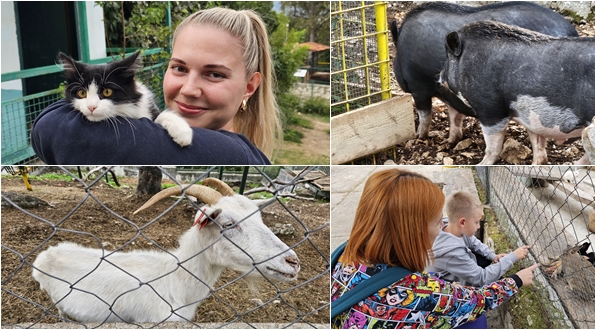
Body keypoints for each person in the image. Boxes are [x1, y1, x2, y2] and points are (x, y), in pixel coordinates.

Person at [31, 7, 281, 165]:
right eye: (180, 68)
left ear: (249, 87)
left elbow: (52, 129)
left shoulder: (237, 157)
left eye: (214, 74)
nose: (188, 90)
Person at [331, 169, 539, 329]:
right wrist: (517, 279)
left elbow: (473, 243)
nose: (442, 227)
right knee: (476, 321)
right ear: (412, 230)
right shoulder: (418, 290)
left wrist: (493, 255)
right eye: (438, 222)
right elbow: (478, 300)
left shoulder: (343, 253)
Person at [425, 191, 531, 328]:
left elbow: (473, 242)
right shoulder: (451, 251)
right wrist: (512, 257)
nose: (479, 226)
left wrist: (493, 256)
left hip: (449, 276)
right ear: (462, 222)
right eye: (476, 222)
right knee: (479, 321)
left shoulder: (449, 225)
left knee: (483, 259)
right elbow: (482, 277)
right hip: (445, 293)